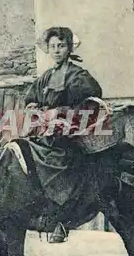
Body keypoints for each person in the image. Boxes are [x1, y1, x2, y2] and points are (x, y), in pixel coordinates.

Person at [24, 26, 102, 242]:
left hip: (70, 133)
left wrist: (60, 113)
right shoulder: (46, 77)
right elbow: (30, 98)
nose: (57, 50)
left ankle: (62, 219)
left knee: (58, 161)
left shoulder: (78, 76)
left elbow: (90, 104)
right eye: (53, 47)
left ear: (69, 48)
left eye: (61, 46)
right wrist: (34, 110)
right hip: (45, 132)